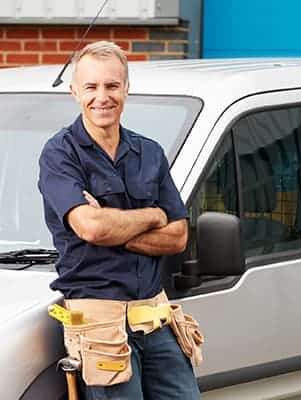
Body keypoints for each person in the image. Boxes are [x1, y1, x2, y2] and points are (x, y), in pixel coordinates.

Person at [38, 41, 199, 400]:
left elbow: (177, 237)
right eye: (91, 87)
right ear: (74, 91)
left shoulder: (149, 152)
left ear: (126, 88)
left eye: (112, 86)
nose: (102, 97)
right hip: (98, 323)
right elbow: (91, 228)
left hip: (155, 317)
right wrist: (151, 216)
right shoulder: (59, 153)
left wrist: (115, 228)